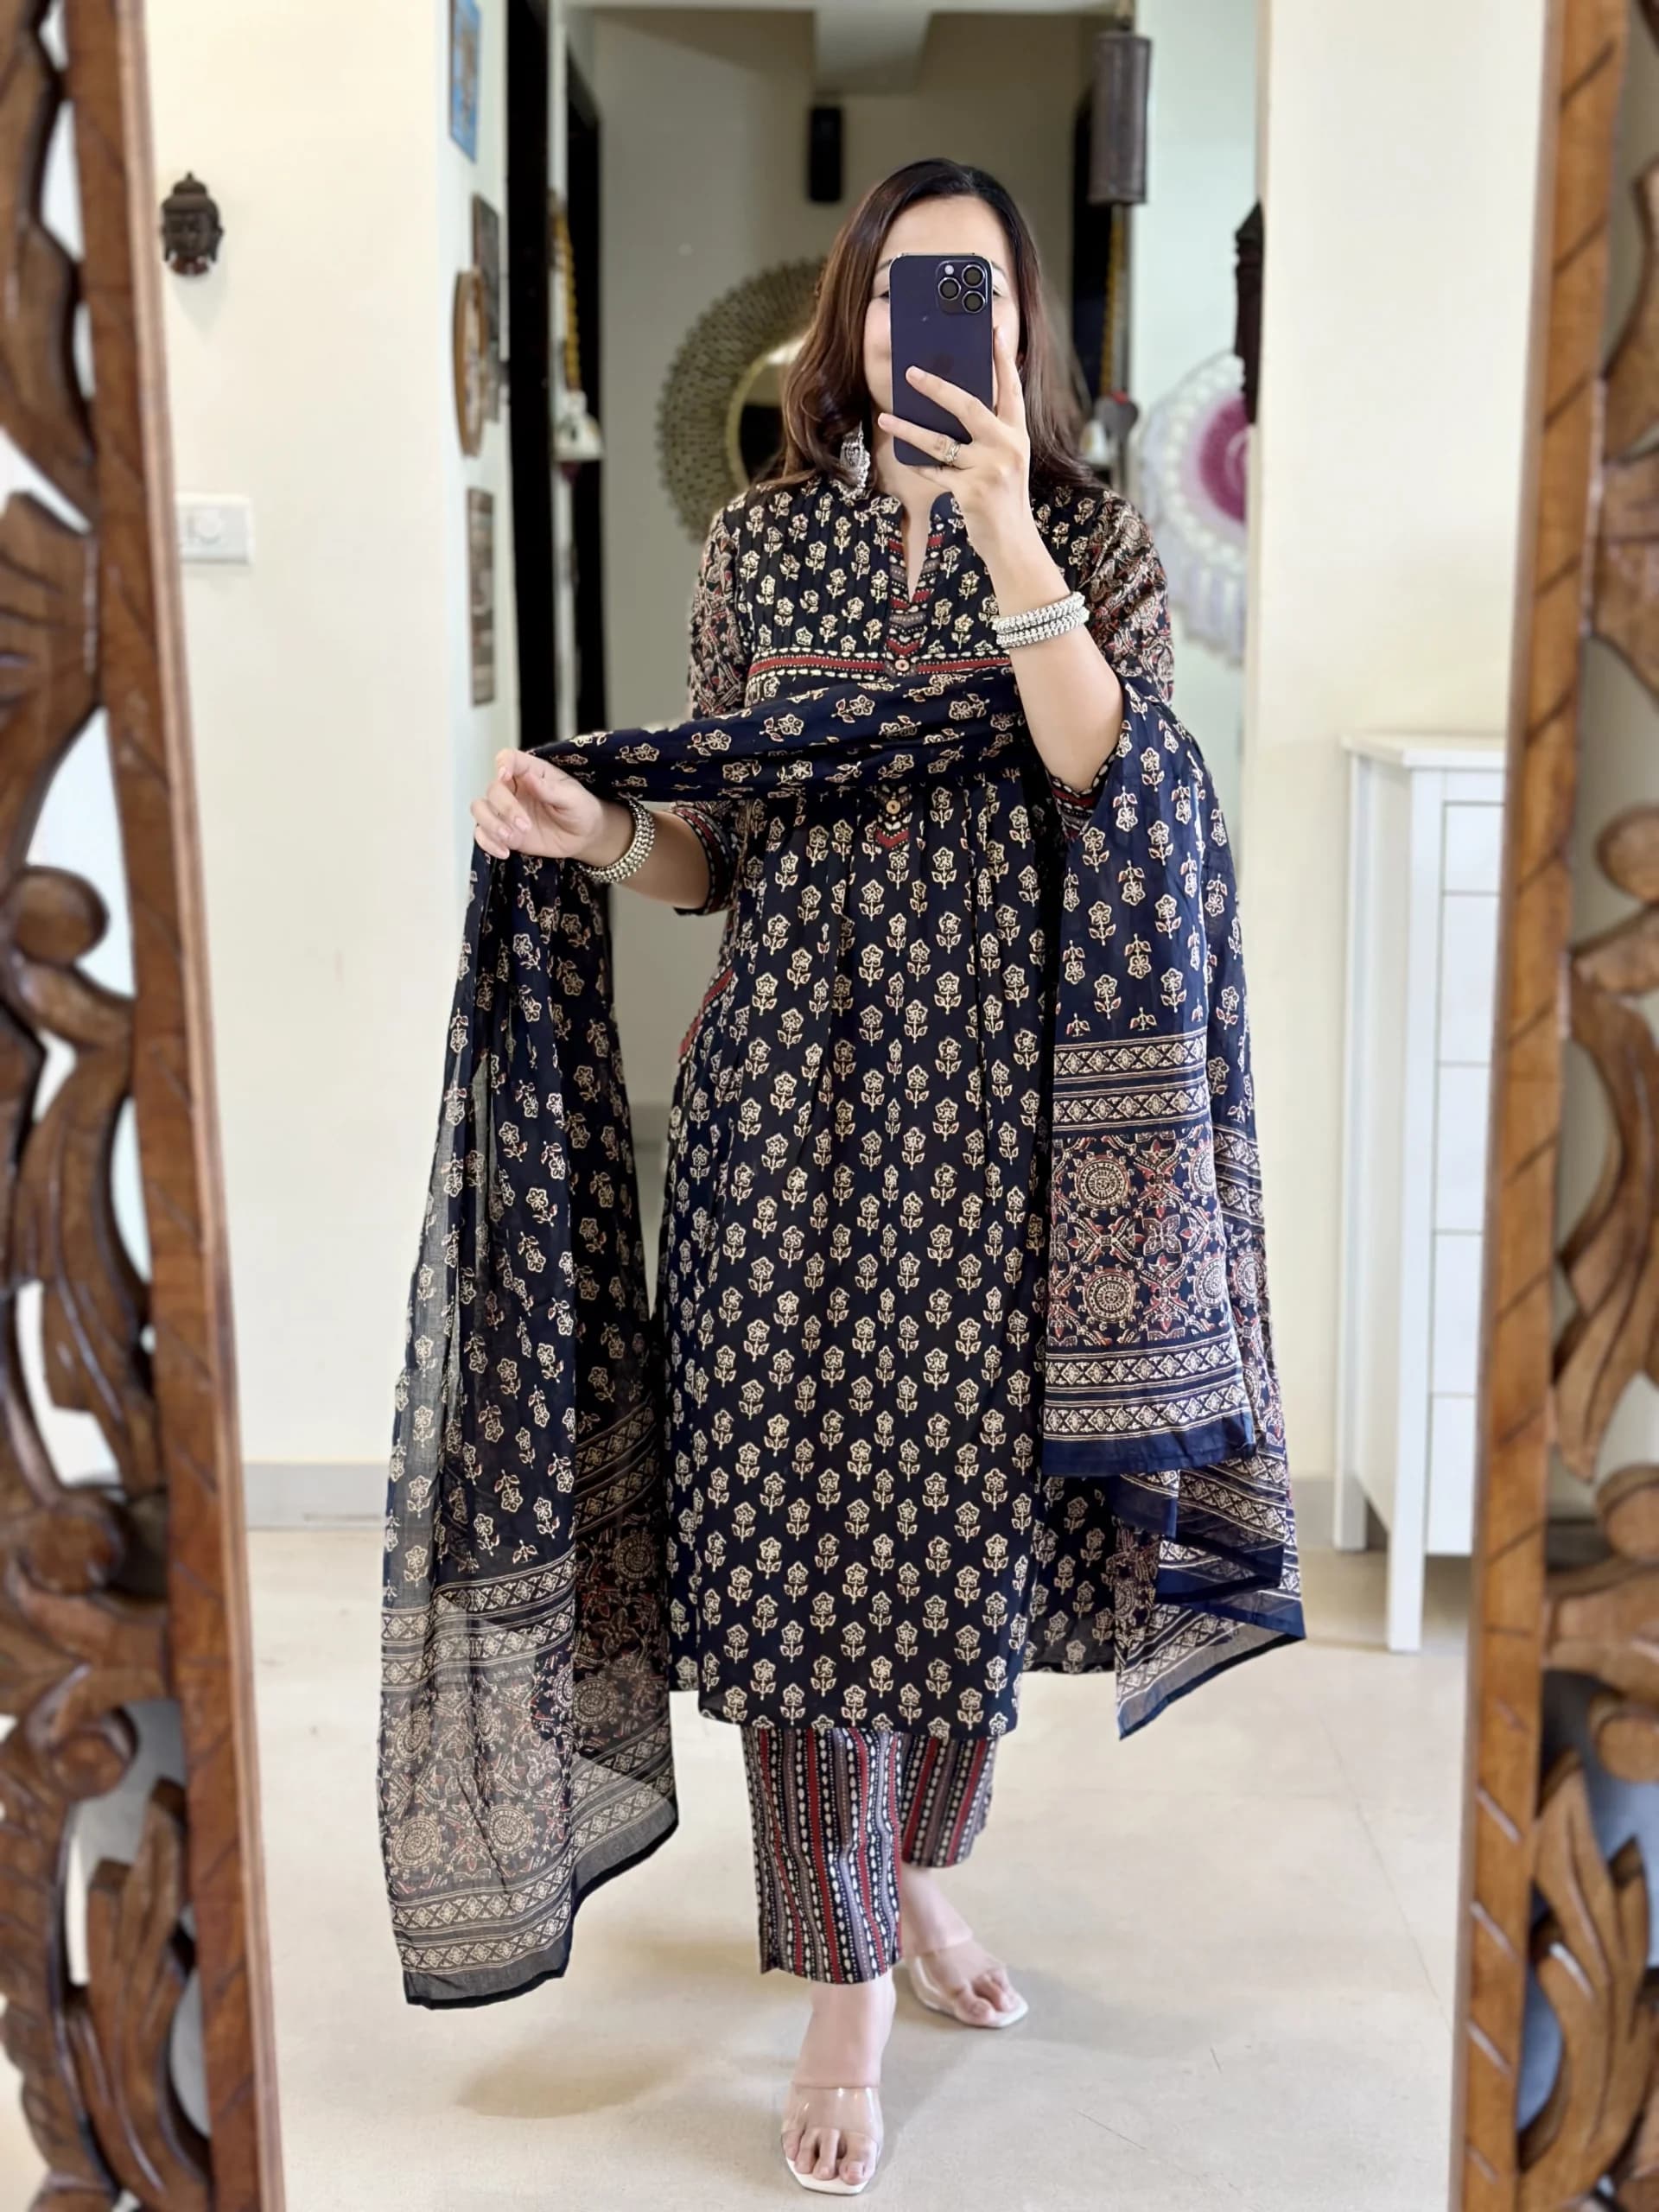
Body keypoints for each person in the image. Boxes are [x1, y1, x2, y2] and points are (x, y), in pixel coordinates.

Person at [467, 158, 1219, 2197]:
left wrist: (1002, 529)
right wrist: (597, 835)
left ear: (1025, 326)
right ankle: (848, 1980)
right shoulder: (762, 545)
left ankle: (912, 1871)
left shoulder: (1090, 535)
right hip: (782, 1118)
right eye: (898, 288)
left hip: (998, 1123)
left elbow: (1120, 780)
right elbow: (713, 844)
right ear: (851, 322)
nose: (928, 322)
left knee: (958, 1545)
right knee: (793, 1543)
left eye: (971, 288)